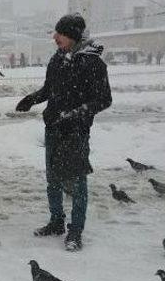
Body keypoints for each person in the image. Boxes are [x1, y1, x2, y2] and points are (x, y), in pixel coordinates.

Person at [15, 14, 112, 252]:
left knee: (77, 183)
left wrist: (77, 113)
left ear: (74, 36)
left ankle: (75, 231)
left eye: (61, 33)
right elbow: (50, 89)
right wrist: (33, 99)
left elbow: (104, 99)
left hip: (76, 131)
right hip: (54, 127)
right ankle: (56, 222)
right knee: (53, 179)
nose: (55, 37)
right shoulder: (57, 59)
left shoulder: (92, 63)